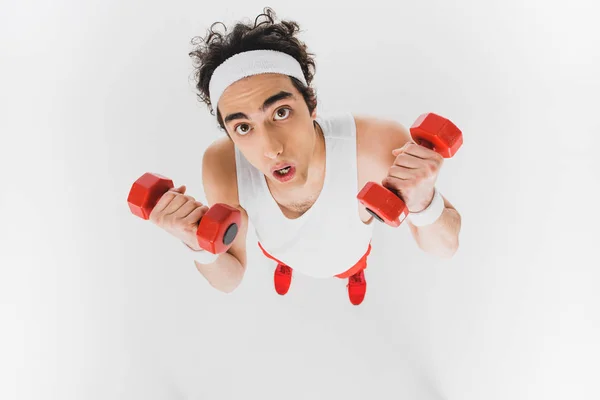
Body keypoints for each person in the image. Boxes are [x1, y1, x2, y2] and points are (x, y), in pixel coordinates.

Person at [149, 7, 462, 306]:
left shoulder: (377, 145)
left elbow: (445, 249)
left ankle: (354, 275)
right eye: (243, 127)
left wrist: (423, 203)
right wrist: (195, 243)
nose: (271, 149)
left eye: (281, 112)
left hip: (348, 252)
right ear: (229, 135)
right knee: (281, 255)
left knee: (350, 264)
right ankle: (286, 265)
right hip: (278, 249)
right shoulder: (221, 165)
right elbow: (229, 279)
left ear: (311, 104)